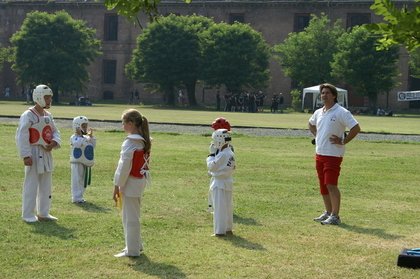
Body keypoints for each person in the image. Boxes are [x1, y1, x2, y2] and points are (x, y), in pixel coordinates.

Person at [308, 83, 360, 225]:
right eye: (322, 93)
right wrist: (316, 134)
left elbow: (356, 128)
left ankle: (335, 216)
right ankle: (328, 212)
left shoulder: (341, 112)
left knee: (331, 184)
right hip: (320, 153)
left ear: (334, 95)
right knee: (323, 185)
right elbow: (310, 123)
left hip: (333, 155)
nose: (324, 95)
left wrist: (343, 140)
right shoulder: (319, 112)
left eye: (327, 93)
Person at [15, 84, 61, 223]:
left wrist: (53, 142)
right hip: (33, 151)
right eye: (47, 98)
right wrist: (25, 155)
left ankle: (44, 212)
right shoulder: (28, 115)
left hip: (46, 152)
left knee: (46, 184)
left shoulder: (48, 116)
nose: (49, 101)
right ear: (39, 97)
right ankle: (28, 213)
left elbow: (55, 131)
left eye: (50, 98)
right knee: (31, 184)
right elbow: (21, 135)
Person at [113, 109, 152, 257]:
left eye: (123, 123)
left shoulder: (131, 142)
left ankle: (133, 250)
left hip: (130, 183)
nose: (122, 126)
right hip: (137, 182)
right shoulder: (141, 140)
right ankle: (135, 245)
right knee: (131, 215)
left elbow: (123, 167)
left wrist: (117, 185)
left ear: (130, 123)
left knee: (130, 217)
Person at [206, 129, 236, 236]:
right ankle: (228, 228)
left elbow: (211, 166)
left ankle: (219, 231)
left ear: (220, 139)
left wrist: (211, 155)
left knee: (219, 208)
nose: (214, 143)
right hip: (227, 181)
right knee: (227, 206)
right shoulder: (230, 152)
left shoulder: (223, 154)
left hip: (219, 183)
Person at [70, 116, 96, 203]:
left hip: (84, 161)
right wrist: (81, 135)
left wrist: (91, 137)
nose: (85, 128)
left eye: (86, 126)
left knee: (82, 179)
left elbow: (93, 145)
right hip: (76, 162)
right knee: (77, 179)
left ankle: (80, 196)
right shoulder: (74, 137)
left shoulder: (86, 137)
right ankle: (76, 197)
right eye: (83, 126)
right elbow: (77, 144)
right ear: (77, 126)